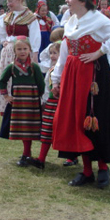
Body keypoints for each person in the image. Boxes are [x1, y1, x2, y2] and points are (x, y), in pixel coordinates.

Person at [51, 0, 110, 189]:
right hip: (72, 74)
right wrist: (56, 78)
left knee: (95, 118)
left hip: (93, 75)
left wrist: (99, 52)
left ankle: (103, 167)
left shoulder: (98, 19)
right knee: (77, 119)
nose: (67, 1)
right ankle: (86, 170)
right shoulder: (70, 21)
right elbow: (65, 52)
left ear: (83, 0)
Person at [0, 37, 45, 167]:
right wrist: (6, 96)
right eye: (19, 49)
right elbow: (2, 81)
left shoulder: (35, 67)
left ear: (30, 50)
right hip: (18, 103)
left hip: (32, 103)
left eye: (25, 49)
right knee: (23, 128)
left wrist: (40, 99)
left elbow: (41, 84)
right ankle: (26, 153)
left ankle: (28, 153)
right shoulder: (12, 67)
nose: (22, 51)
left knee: (30, 128)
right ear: (14, 51)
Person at [0, 0, 41, 116]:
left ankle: (22, 109)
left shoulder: (30, 17)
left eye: (11, 1)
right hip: (8, 52)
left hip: (23, 52)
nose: (8, 4)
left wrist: (34, 55)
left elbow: (35, 36)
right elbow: (0, 30)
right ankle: (7, 109)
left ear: (19, 0)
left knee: (21, 80)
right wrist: (4, 40)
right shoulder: (8, 16)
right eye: (8, 1)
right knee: (6, 79)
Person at [33, 40, 63, 169]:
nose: (52, 56)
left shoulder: (66, 69)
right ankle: (41, 158)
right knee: (46, 130)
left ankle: (71, 157)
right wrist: (44, 101)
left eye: (55, 53)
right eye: (51, 53)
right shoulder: (51, 69)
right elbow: (46, 87)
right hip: (51, 103)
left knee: (64, 129)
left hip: (62, 103)